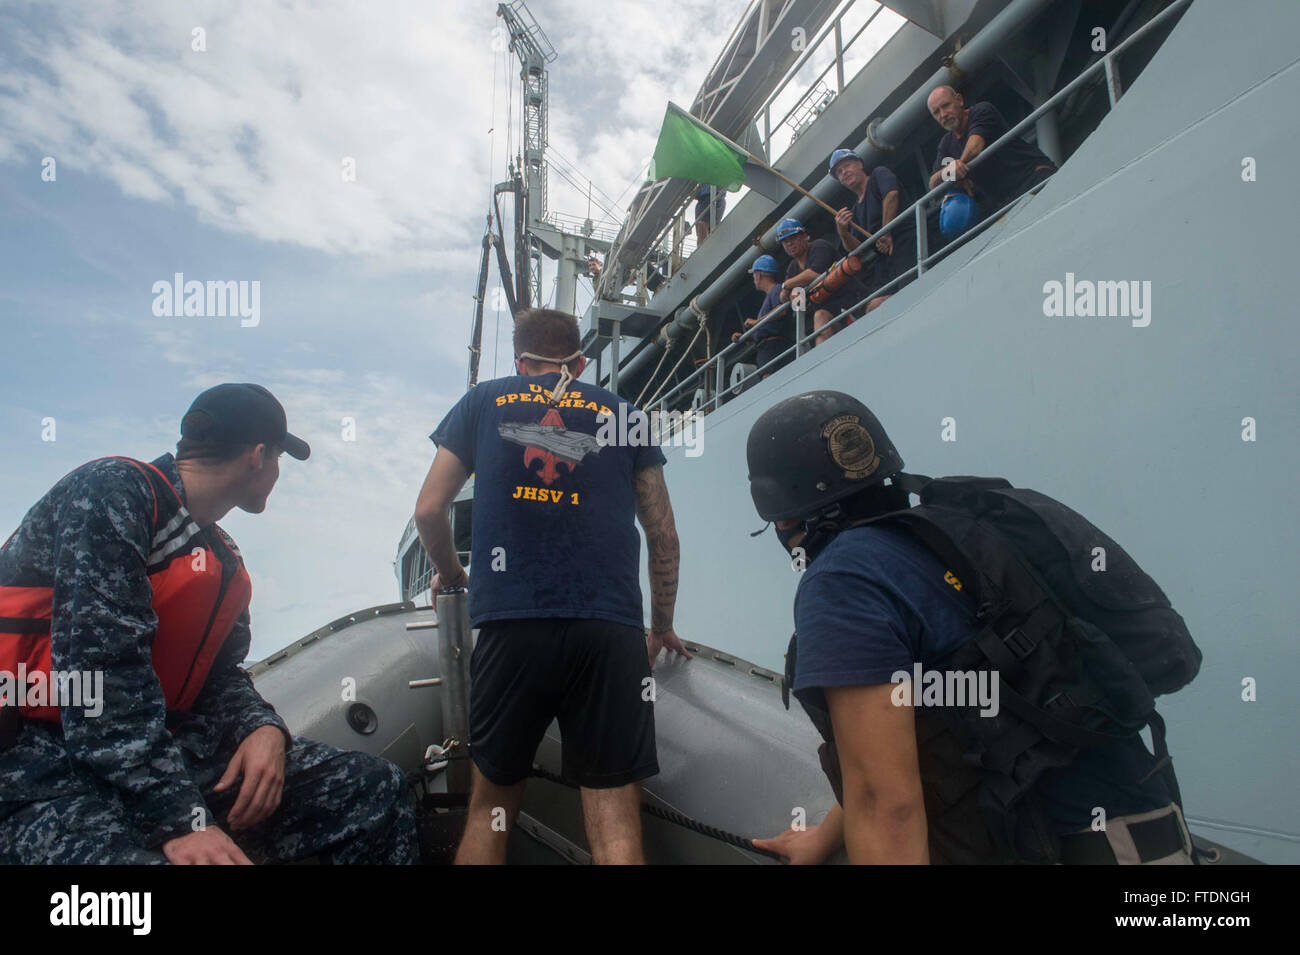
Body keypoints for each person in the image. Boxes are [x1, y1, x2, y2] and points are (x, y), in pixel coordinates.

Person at [747, 391, 1197, 865]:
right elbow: (941, 736)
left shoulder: (841, 582)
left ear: (786, 516)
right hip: (1150, 833)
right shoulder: (953, 533)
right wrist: (824, 838)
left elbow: (887, 806)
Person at [0, 383, 417, 864]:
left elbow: (217, 677)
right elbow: (99, 680)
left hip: (164, 756)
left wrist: (263, 729)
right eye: (280, 459)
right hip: (40, 771)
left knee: (373, 789)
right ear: (259, 457)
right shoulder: (112, 493)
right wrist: (179, 820)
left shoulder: (221, 558)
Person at [414, 307, 691, 865]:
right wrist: (660, 626)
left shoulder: (483, 400)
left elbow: (427, 511)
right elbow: (663, 537)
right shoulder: (626, 416)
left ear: (520, 360)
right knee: (616, 830)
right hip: (608, 633)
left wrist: (452, 575)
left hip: (512, 629)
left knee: (489, 812)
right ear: (581, 362)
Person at [926, 86, 1056, 211]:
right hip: (1007, 202)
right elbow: (933, 184)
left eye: (946, 106)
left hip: (1033, 177)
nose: (943, 115)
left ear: (959, 100)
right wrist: (950, 170)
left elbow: (975, 147)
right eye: (936, 112)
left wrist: (959, 167)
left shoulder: (981, 111)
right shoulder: (947, 144)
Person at [830, 149, 917, 312]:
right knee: (872, 306)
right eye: (839, 172)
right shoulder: (855, 211)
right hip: (885, 261)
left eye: (847, 166)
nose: (844, 173)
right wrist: (843, 232)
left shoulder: (878, 175)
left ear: (860, 164)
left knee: (910, 289)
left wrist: (886, 233)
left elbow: (891, 195)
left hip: (907, 241)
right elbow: (856, 249)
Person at [776, 218, 868, 347]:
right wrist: (787, 290)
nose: (789, 244)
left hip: (854, 300)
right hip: (831, 312)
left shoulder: (819, 246)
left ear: (804, 236)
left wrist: (787, 285)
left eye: (793, 238)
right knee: (820, 318)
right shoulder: (793, 267)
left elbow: (813, 275)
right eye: (785, 241)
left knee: (877, 303)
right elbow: (783, 297)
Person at [730, 254, 791, 379]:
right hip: (767, 347)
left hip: (772, 347)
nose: (754, 279)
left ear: (759, 275)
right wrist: (745, 337)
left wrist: (756, 322)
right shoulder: (771, 294)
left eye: (754, 275)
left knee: (769, 380)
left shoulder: (776, 290)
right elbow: (767, 327)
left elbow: (781, 310)